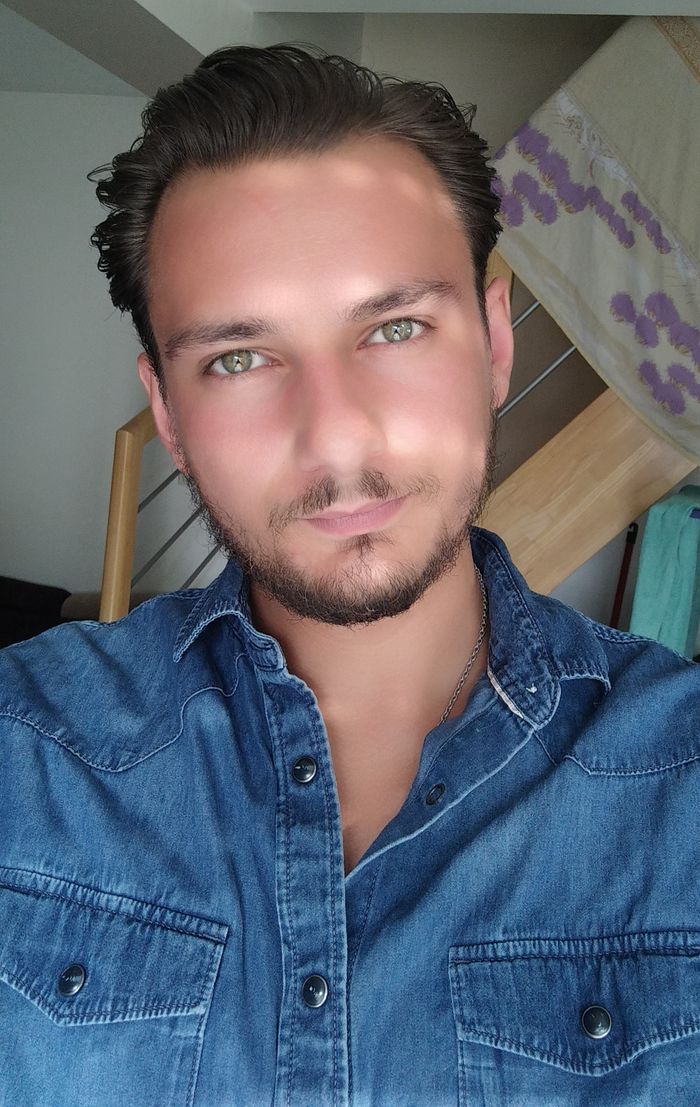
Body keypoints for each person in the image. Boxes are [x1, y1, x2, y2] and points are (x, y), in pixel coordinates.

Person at [1, 44, 698, 1107]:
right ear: (170, 415)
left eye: (395, 328)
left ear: (494, 345)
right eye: (238, 358)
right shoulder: (29, 755)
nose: (334, 436)